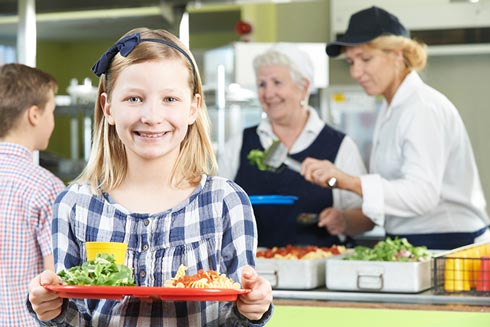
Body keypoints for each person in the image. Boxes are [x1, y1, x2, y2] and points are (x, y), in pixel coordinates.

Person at [27, 28, 273, 326]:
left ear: (193, 107)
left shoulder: (226, 202)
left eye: (170, 99)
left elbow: (238, 312)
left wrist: (252, 308)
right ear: (108, 107)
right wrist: (51, 310)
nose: (152, 116)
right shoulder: (74, 204)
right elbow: (71, 317)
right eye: (134, 99)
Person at [302, 6, 490, 250]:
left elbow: (421, 196)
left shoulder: (422, 107)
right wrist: (347, 219)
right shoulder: (392, 107)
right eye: (350, 61)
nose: (356, 72)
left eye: (366, 59)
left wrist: (349, 181)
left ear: (398, 55)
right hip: (413, 242)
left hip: (448, 244)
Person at [219, 43, 373, 248]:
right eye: (262, 84)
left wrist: (343, 220)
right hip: (253, 270)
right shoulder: (239, 143)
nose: (268, 93)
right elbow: (217, 207)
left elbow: (367, 217)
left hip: (319, 268)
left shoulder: (339, 145)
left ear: (304, 87)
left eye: (277, 82)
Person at [0, 63, 65, 326]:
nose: (53, 120)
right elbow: (59, 282)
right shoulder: (45, 187)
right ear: (34, 114)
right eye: (52, 111)